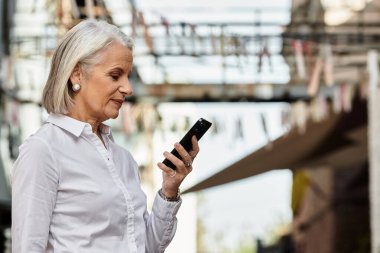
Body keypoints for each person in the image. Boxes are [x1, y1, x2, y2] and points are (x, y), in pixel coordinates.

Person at [11, 19, 199, 253]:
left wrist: (169, 190)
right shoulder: (43, 150)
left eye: (128, 76)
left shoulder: (123, 159)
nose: (128, 88)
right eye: (115, 75)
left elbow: (146, 248)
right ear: (77, 74)